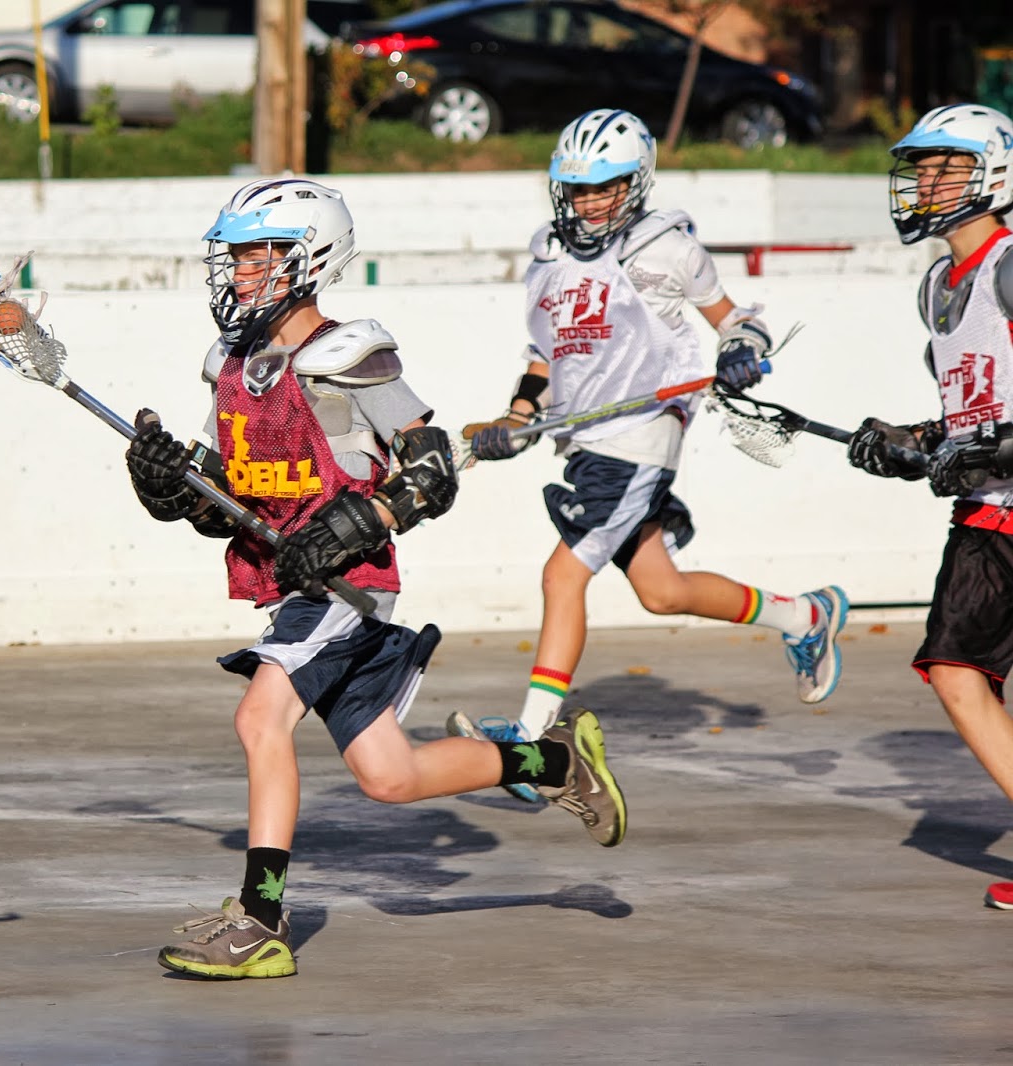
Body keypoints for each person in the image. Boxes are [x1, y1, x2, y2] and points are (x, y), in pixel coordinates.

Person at [123, 177, 627, 981]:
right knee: (390, 776)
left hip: (348, 582)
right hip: (294, 583)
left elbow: (430, 472)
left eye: (259, 255)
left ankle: (259, 918)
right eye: (238, 255)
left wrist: (357, 522)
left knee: (261, 719)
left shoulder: (350, 355)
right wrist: (179, 485)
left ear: (308, 258)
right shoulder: (233, 365)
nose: (240, 272)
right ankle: (555, 763)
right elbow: (237, 507)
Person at [461, 109, 847, 802]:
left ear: (635, 183)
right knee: (661, 591)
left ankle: (531, 735)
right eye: (575, 189)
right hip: (584, 441)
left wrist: (739, 350)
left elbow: (738, 320)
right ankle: (804, 616)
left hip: (641, 438)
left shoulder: (665, 247)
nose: (587, 202)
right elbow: (545, 355)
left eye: (603, 188)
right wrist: (516, 418)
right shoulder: (548, 251)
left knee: (562, 577)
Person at [842, 103, 1013, 910]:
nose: (925, 183)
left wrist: (997, 446)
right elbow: (969, 413)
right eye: (921, 167)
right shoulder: (941, 288)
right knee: (955, 670)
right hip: (988, 515)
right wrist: (913, 441)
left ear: (995, 175)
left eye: (947, 167)